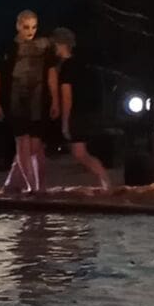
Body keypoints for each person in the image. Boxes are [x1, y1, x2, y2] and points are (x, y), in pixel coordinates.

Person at [0, 10, 59, 193]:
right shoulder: (7, 47)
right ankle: (31, 186)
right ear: (18, 26)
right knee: (22, 141)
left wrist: (55, 99)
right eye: (26, 27)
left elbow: (51, 73)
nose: (30, 31)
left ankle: (18, 183)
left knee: (35, 145)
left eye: (33, 27)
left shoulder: (43, 47)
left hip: (38, 99)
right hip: (16, 98)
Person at [52, 27, 113, 191]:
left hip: (77, 114)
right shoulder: (79, 64)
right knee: (79, 152)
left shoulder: (66, 67)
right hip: (85, 112)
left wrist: (65, 122)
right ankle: (105, 182)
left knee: (79, 152)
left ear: (60, 44)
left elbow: (67, 96)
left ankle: (106, 182)